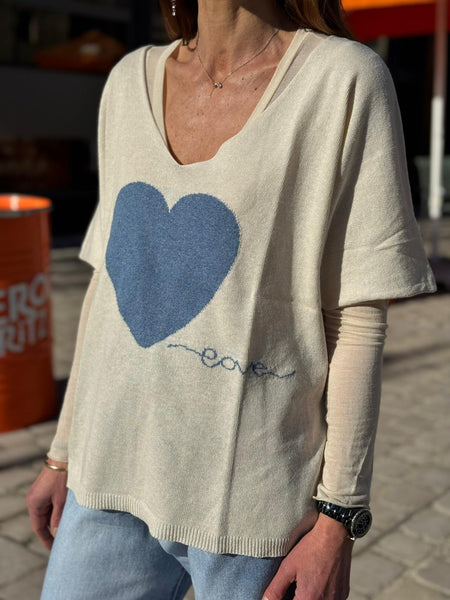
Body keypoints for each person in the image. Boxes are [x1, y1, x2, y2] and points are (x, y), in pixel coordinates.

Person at [27, 1, 437, 599]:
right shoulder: (128, 80)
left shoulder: (344, 81)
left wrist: (339, 517)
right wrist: (62, 455)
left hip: (250, 508)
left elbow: (356, 319)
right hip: (104, 478)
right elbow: (106, 288)